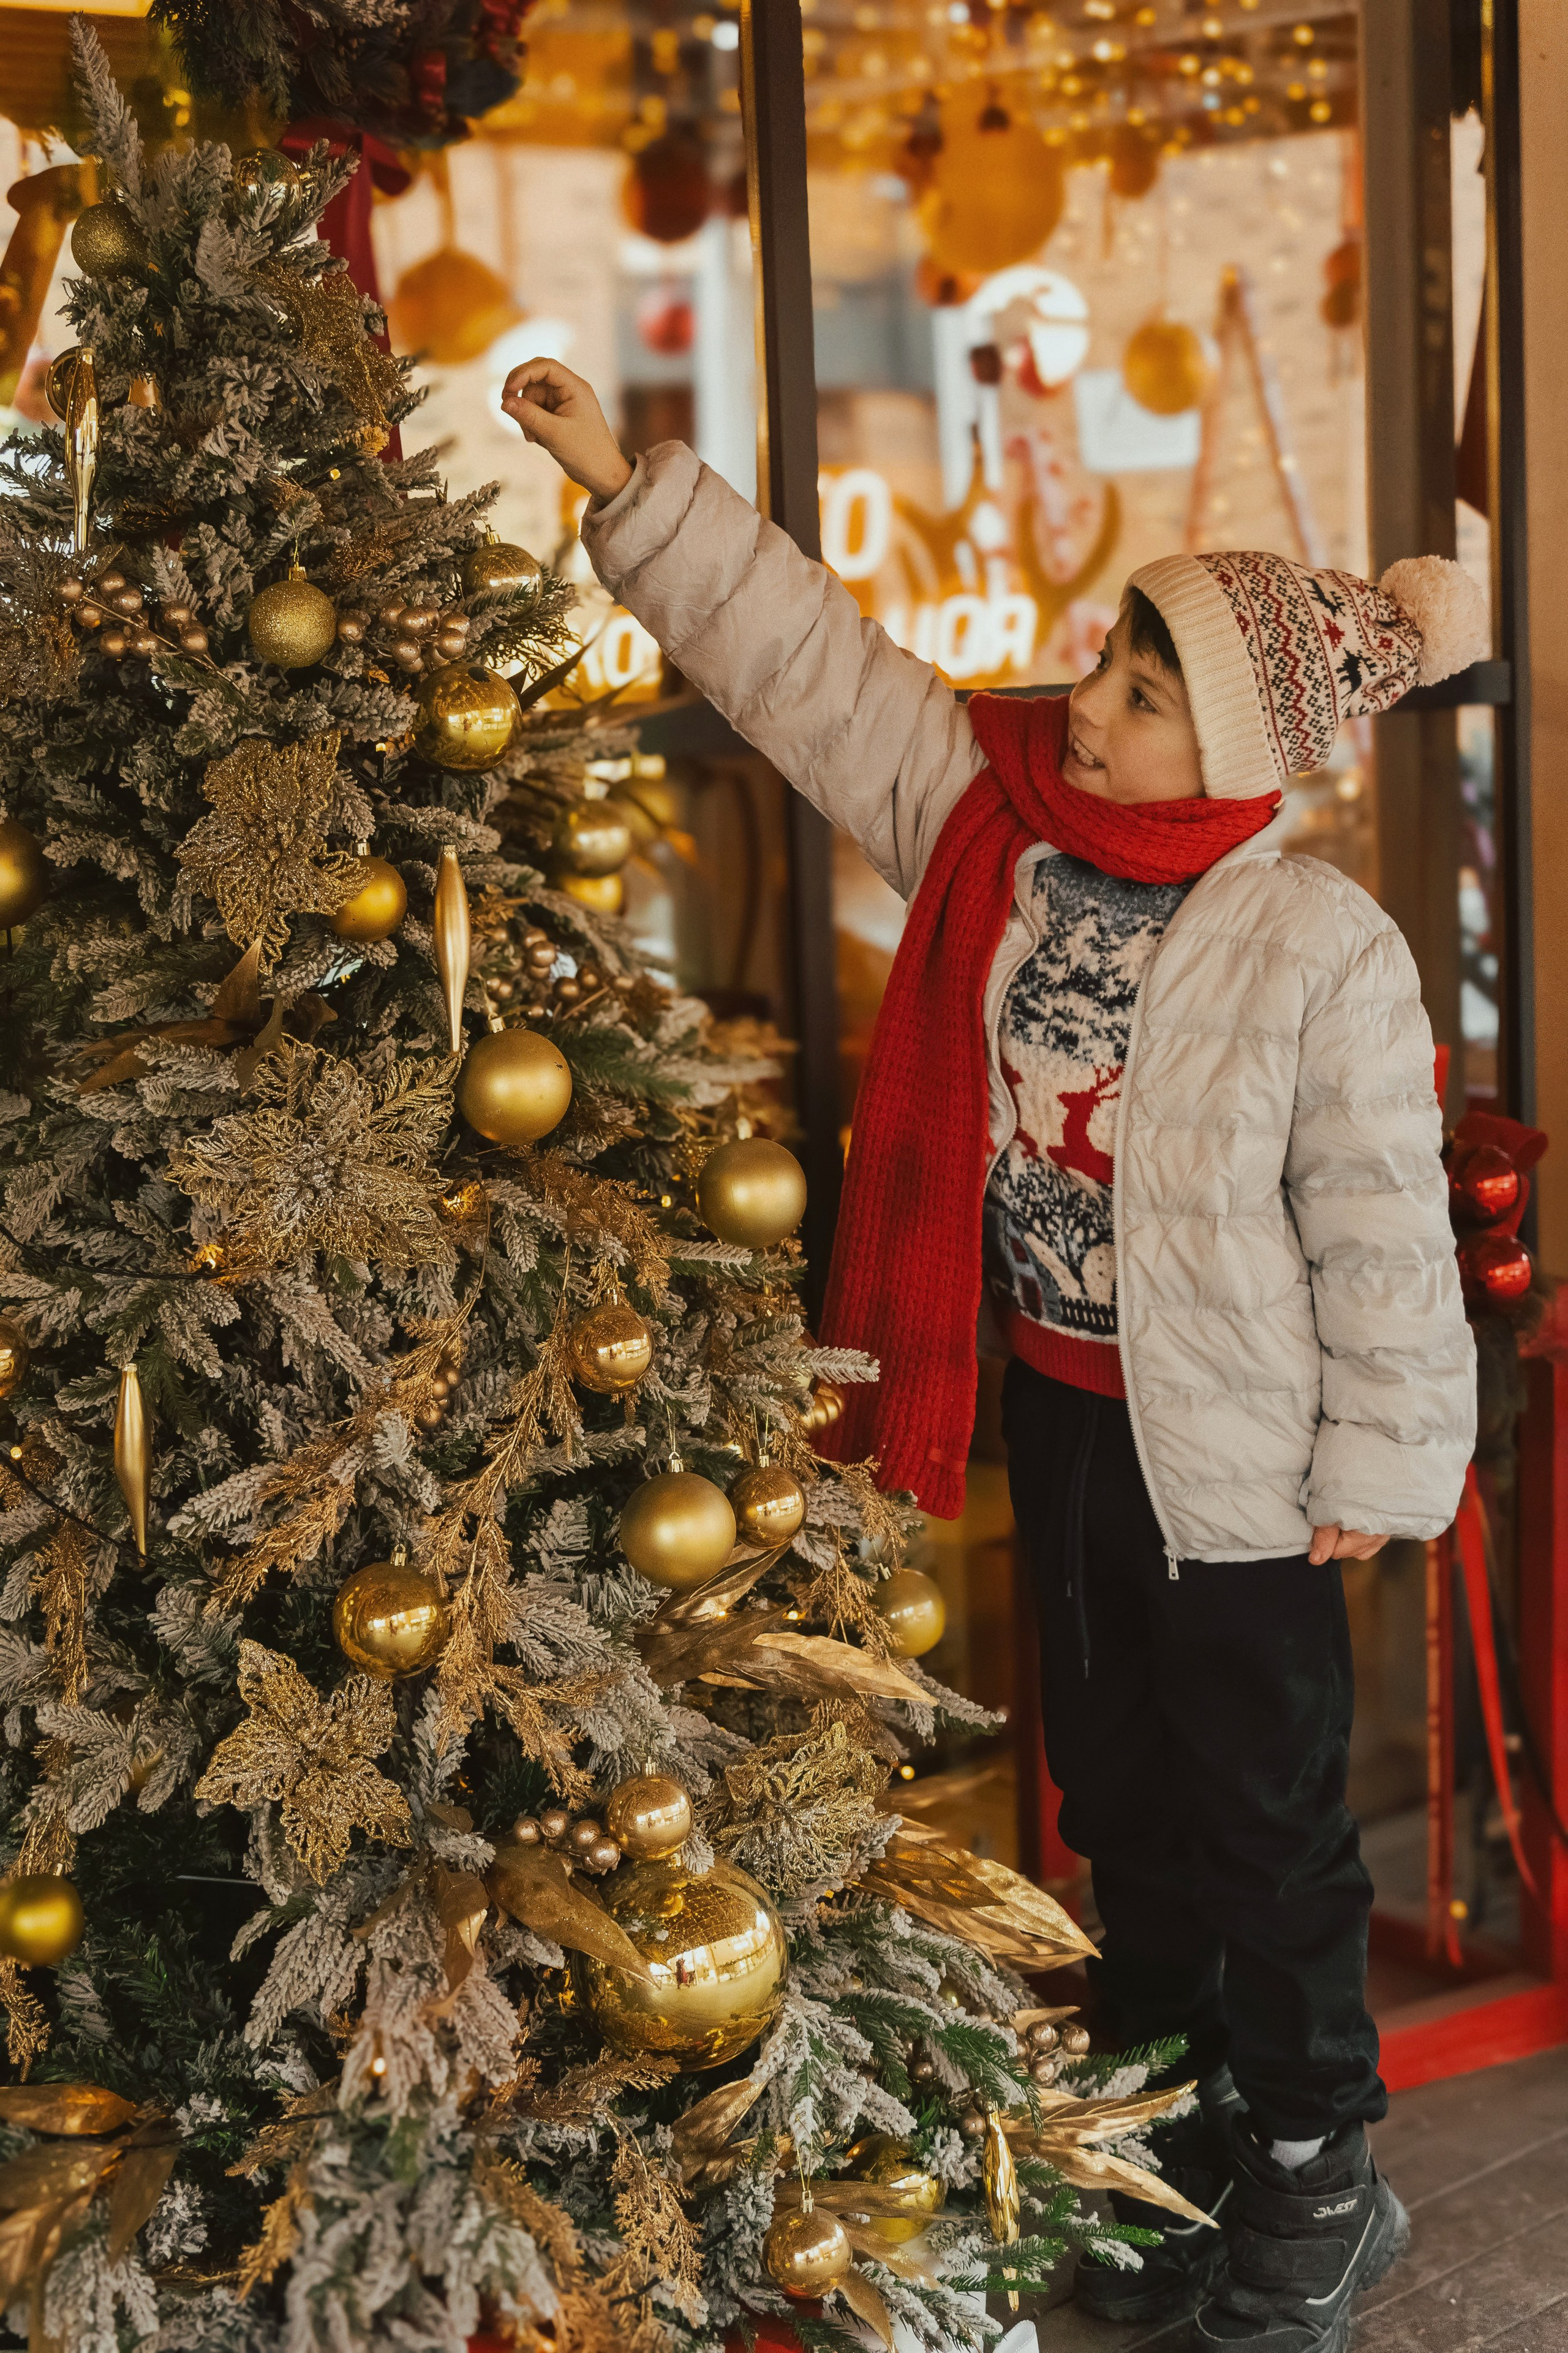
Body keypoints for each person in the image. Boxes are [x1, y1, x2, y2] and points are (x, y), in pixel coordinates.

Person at [501, 357, 1480, 2352]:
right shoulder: (998, 840)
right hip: (1070, 1426)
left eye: (1135, 690)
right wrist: (639, 495)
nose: (1083, 703)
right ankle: (1166, 2131)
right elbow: (821, 673)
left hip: (1253, 1482)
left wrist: (1379, 1473)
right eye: (1106, 663)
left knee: (1269, 1823)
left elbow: (1382, 1227)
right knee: (1118, 1799)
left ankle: (1320, 2161)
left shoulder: (1314, 941)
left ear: (1224, 745)